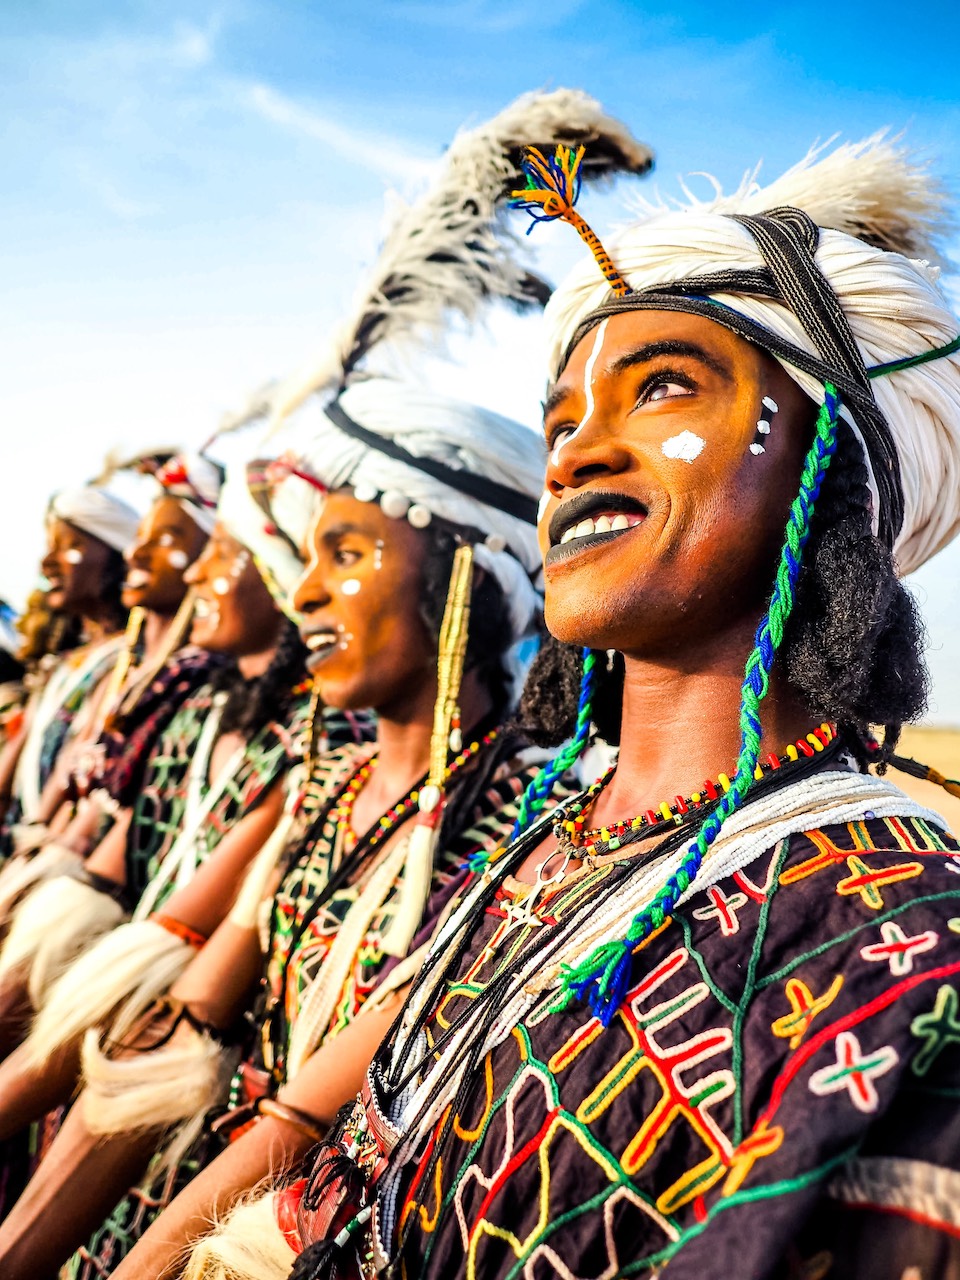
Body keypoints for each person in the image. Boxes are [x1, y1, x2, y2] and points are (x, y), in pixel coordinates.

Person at [266, 135, 960, 1280]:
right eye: (559, 422)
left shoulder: (897, 953)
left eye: (664, 387)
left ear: (827, 460)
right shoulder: (547, 845)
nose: (577, 452)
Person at [1, 87, 652, 1280]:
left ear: (468, 584)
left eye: (346, 554)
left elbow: (313, 1118)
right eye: (303, 556)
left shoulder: (526, 831)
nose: (304, 592)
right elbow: (180, 1014)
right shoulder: (327, 783)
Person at [0, 485, 140, 852]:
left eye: (70, 546)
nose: (47, 563)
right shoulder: (63, 665)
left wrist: (39, 843)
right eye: (50, 547)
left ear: (116, 557)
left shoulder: (128, 660)